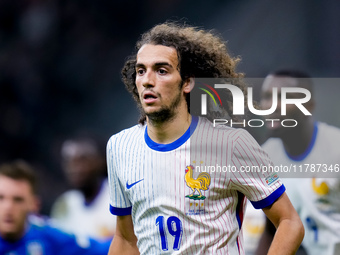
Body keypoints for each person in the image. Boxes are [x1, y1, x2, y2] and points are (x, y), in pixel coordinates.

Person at [106, 22, 304, 255]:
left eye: (162, 70)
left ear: (187, 82)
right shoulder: (120, 146)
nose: (148, 80)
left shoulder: (231, 144)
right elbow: (126, 239)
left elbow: (290, 222)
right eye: (141, 71)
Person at [254, 70, 340, 255]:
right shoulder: (265, 157)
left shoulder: (336, 150)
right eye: (267, 97)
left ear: (308, 106)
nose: (272, 106)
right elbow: (272, 229)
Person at [0, 160, 110, 254]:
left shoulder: (50, 237)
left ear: (34, 205)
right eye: (1, 198)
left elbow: (101, 249)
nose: (8, 207)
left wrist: (123, 234)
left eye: (18, 200)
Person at [51, 135, 116, 240]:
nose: (74, 168)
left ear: (101, 161)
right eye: (69, 161)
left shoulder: (119, 196)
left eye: (82, 160)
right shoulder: (64, 205)